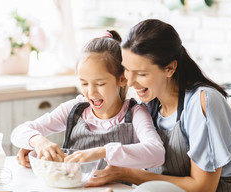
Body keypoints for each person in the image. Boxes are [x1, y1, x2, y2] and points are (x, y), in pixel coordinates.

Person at [84, 19, 231, 192]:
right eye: (127, 70)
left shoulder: (202, 102)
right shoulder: (149, 106)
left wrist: (128, 174)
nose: (131, 82)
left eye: (142, 73)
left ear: (170, 68)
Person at [11, 30, 165, 170]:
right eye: (84, 83)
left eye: (100, 84)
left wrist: (101, 152)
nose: (91, 92)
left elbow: (157, 153)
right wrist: (39, 142)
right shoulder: (77, 108)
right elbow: (19, 132)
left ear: (122, 79)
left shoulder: (136, 113)